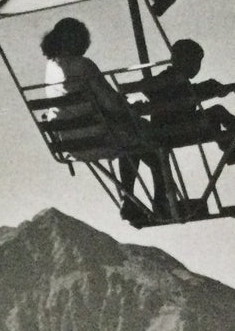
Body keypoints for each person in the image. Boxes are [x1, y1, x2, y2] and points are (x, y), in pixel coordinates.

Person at [39, 17, 170, 222]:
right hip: (98, 137)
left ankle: (131, 202)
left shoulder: (51, 67)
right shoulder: (83, 65)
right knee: (151, 138)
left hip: (70, 142)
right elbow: (111, 104)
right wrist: (130, 105)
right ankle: (161, 203)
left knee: (132, 139)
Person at [142, 39, 235, 163]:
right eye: (195, 62)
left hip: (180, 126)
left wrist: (221, 88)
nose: (197, 67)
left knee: (213, 119)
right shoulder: (169, 78)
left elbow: (195, 91)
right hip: (172, 130)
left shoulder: (180, 81)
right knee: (216, 111)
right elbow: (149, 88)